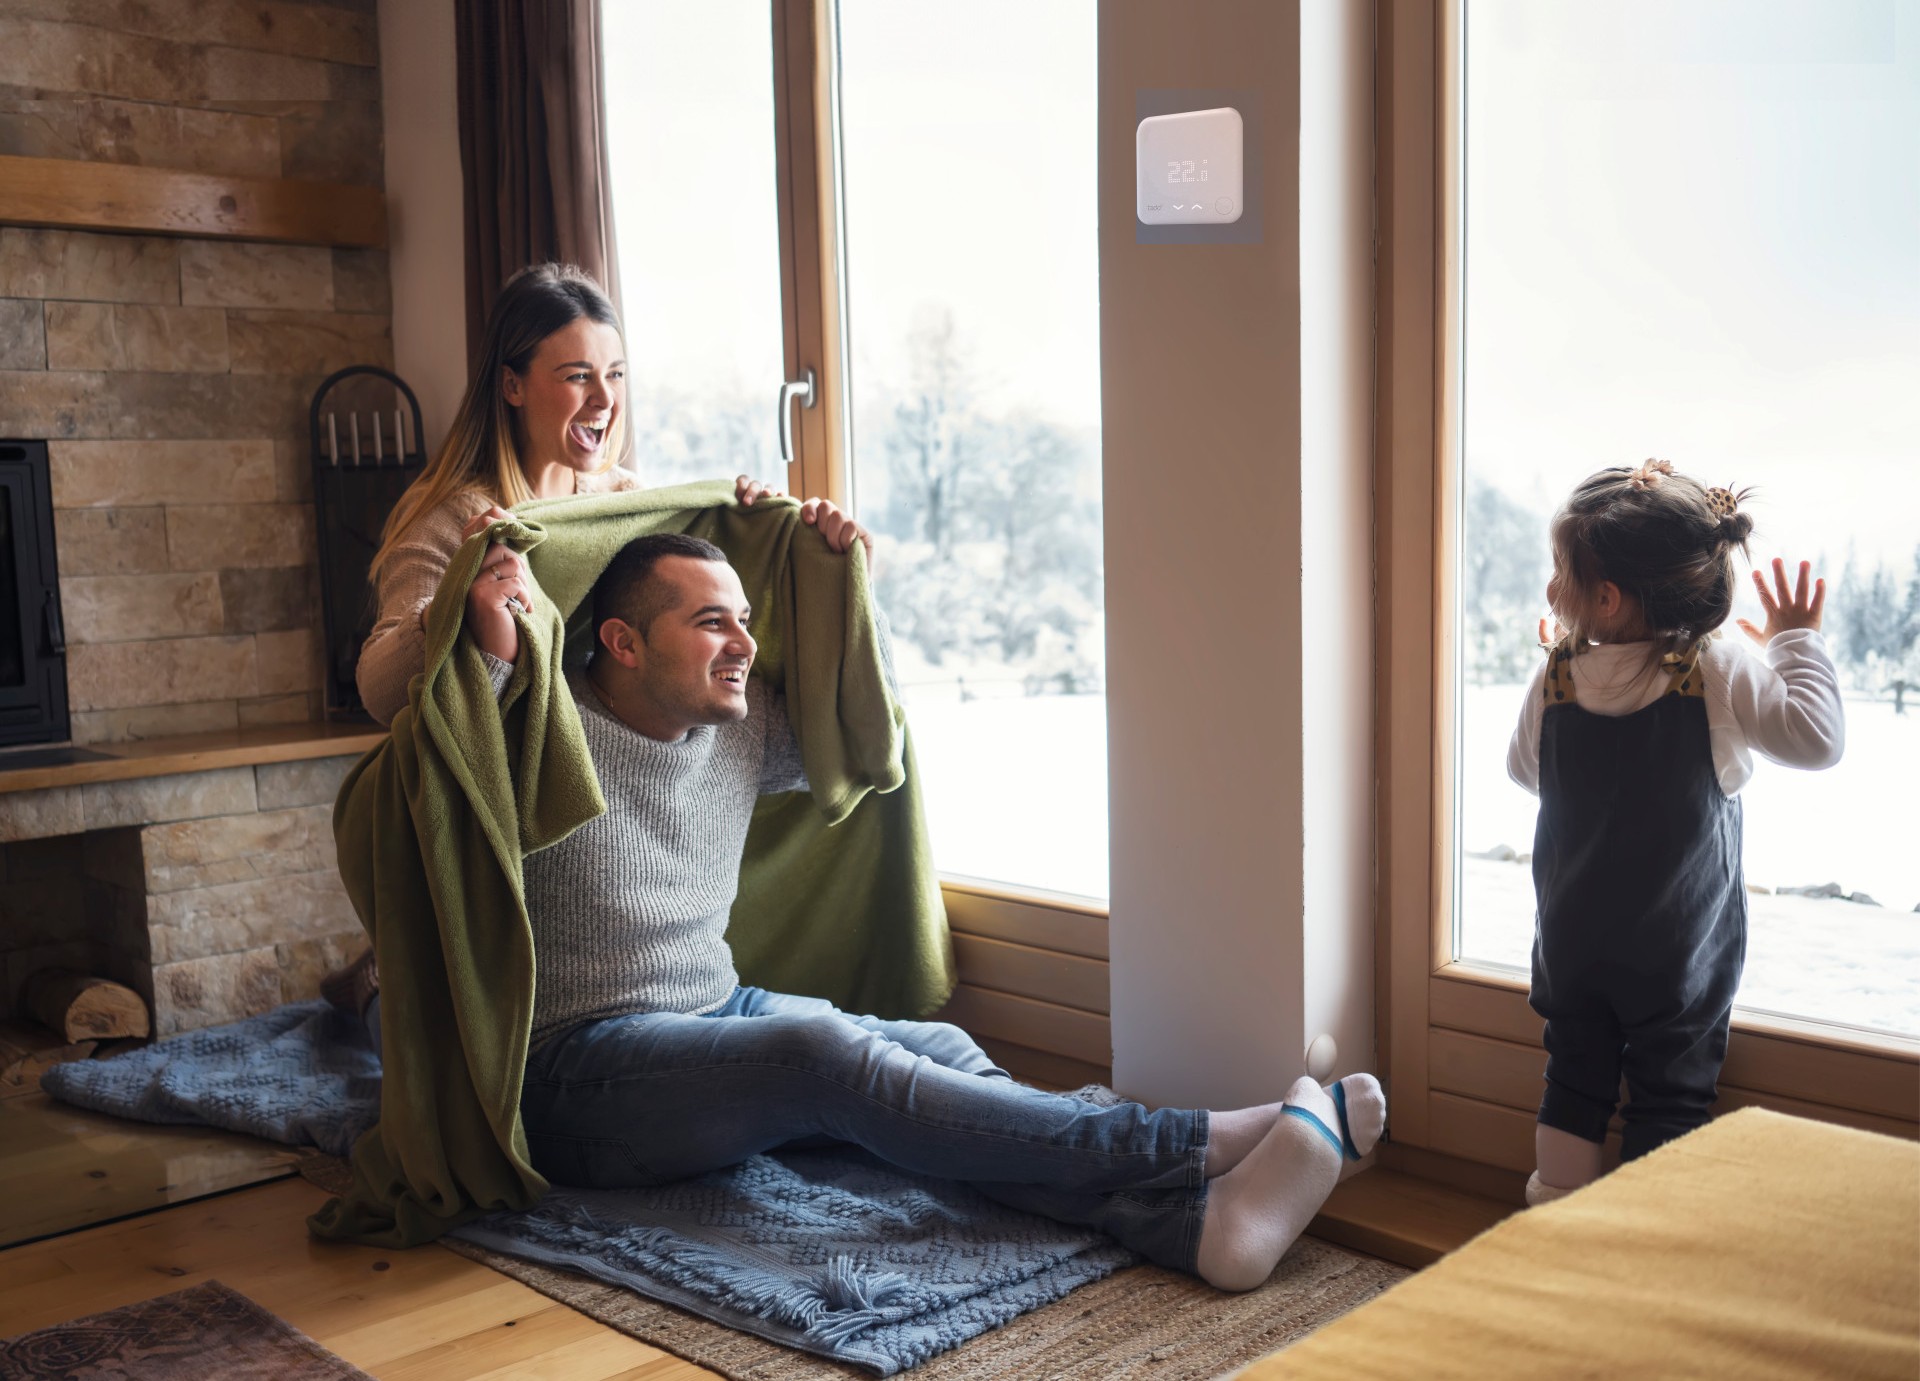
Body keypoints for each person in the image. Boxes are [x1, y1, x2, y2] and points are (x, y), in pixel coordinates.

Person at [359, 527, 1386, 1293]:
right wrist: (492, 649)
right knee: (820, 1053)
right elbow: (436, 787)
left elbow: (867, 731)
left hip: (713, 1015)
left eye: (748, 620)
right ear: (621, 642)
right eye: (711, 620)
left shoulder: (740, 728)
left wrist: (840, 578)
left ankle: (1199, 1230)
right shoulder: (541, 728)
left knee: (932, 1047)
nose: (743, 645)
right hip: (577, 1071)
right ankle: (1183, 1143)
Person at [1508, 459, 1844, 1206]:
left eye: (1559, 573)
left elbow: (1526, 771)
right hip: (1676, 957)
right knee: (1670, 1093)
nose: (1550, 590)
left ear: (1605, 598)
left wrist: (1576, 676)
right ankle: (1650, 1239)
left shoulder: (1556, 678)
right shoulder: (1715, 670)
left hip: (1572, 946)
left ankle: (1554, 1212)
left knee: (1573, 1076)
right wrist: (1793, 642)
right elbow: (1817, 739)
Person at [354, 261, 866, 726]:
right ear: (512, 386)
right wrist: (450, 605)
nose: (605, 399)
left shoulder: (626, 500)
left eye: (616, 375)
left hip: (618, 781)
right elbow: (378, 692)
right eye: (578, 377)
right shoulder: (451, 522)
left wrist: (759, 530)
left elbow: (709, 621)